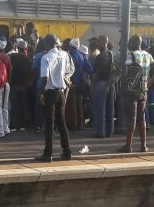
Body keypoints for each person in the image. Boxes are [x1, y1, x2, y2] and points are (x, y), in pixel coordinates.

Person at [36, 34, 73, 162]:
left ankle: (48, 153)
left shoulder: (46, 58)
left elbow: (44, 78)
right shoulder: (64, 55)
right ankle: (67, 151)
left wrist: (41, 93)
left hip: (50, 92)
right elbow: (68, 72)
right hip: (61, 92)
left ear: (46, 44)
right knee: (62, 122)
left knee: (49, 123)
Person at [118, 35, 154, 153]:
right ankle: (143, 146)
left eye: (129, 43)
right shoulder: (148, 55)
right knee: (142, 118)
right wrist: (148, 84)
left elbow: (126, 72)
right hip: (143, 91)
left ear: (134, 43)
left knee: (132, 119)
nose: (128, 45)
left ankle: (128, 146)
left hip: (132, 91)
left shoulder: (131, 55)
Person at [91, 34, 116, 137]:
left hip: (101, 84)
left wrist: (92, 85)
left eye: (98, 42)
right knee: (110, 109)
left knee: (99, 109)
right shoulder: (111, 54)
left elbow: (96, 74)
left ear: (103, 42)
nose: (96, 43)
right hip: (111, 84)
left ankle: (100, 132)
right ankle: (110, 131)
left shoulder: (100, 57)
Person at [65, 38, 92, 131]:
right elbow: (90, 68)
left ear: (71, 46)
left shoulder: (70, 55)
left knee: (71, 105)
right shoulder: (82, 56)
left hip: (71, 83)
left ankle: (73, 125)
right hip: (80, 83)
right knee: (79, 104)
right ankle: (80, 124)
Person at [9, 38, 32, 130]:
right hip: (23, 85)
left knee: (14, 106)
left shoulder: (12, 57)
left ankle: (13, 126)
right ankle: (22, 125)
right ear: (25, 49)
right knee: (22, 106)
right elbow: (30, 73)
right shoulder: (27, 59)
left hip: (13, 84)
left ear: (17, 47)